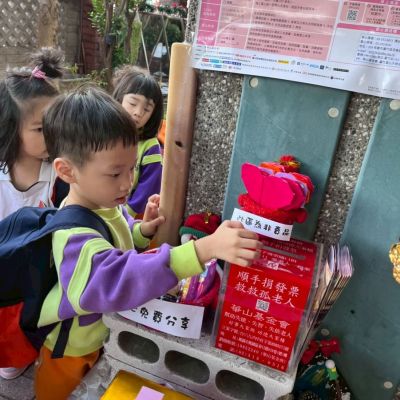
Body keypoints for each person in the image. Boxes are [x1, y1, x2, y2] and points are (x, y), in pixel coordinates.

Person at [36, 85, 261, 399]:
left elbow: (118, 239)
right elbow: (116, 277)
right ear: (66, 171)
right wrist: (203, 249)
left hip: (99, 334)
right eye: (115, 173)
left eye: (131, 169)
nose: (128, 183)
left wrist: (141, 231)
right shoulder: (73, 235)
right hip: (69, 348)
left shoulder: (104, 205)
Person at [0, 47, 65, 380]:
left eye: (56, 125)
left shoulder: (58, 173)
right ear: (12, 128)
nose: (52, 135)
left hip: (40, 272)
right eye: (40, 129)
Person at [113, 66, 163, 218]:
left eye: (146, 109)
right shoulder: (104, 135)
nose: (138, 113)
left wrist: (126, 216)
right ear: (119, 99)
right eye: (133, 104)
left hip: (129, 218)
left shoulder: (150, 146)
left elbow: (149, 186)